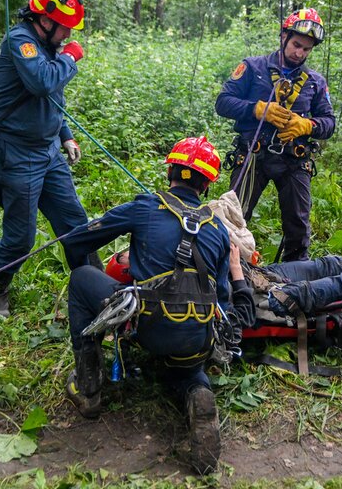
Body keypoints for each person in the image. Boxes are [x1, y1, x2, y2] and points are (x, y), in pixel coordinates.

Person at [60, 136, 250, 475]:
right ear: (207, 184)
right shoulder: (220, 230)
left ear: (171, 170)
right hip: (197, 340)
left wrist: (98, 286)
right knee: (187, 370)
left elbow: (77, 239)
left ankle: (88, 388)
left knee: (80, 279)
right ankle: (196, 389)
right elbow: (222, 298)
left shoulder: (145, 207)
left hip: (148, 329)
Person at [0, 0, 96, 318]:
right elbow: (43, 82)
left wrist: (65, 135)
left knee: (76, 223)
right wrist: (72, 58)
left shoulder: (48, 46)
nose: (68, 35)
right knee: (21, 238)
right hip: (16, 154)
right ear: (45, 20)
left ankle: (97, 288)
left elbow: (53, 98)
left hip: (47, 151)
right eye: (65, 28)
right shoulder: (21, 41)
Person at [105, 227, 342, 321]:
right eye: (125, 257)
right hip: (267, 302)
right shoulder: (169, 289)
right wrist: (233, 270)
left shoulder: (165, 258)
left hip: (262, 277)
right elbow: (234, 313)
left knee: (327, 263)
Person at [215, 8, 335, 262]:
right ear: (283, 36)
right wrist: (256, 109)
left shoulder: (315, 82)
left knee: (298, 227)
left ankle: (294, 282)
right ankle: (225, 273)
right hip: (252, 155)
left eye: (306, 49)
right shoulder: (252, 67)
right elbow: (223, 103)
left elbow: (329, 123)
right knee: (232, 218)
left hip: (294, 160)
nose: (299, 53)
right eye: (296, 45)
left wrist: (307, 125)